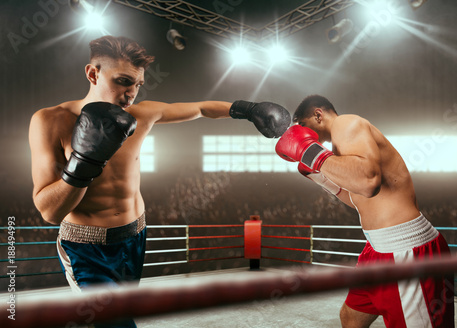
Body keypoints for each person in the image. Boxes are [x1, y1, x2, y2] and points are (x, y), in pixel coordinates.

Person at [28, 35, 290, 328]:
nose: (131, 94)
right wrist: (85, 162)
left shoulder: (141, 114)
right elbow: (49, 211)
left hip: (135, 236)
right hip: (86, 250)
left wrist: (248, 109)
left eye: (138, 85)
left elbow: (201, 108)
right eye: (124, 81)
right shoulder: (51, 120)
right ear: (93, 73)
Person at [275, 95, 454, 328]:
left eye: (303, 127)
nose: (303, 135)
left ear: (318, 115)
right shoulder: (342, 148)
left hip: (405, 251)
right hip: (375, 251)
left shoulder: (348, 124)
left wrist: (309, 153)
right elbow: (357, 198)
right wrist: (321, 179)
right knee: (351, 317)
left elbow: (368, 181)